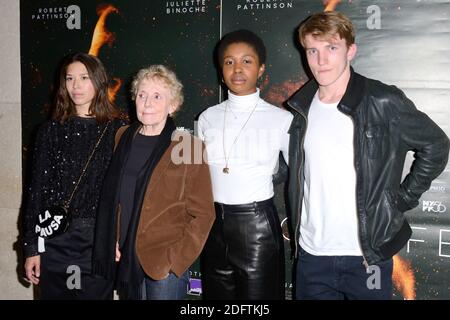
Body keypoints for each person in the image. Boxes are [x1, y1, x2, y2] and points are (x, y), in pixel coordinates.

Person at [287, 11, 450, 300]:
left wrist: (401, 199)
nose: (321, 60)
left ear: (351, 50)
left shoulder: (383, 100)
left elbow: (436, 145)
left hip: (366, 256)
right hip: (312, 256)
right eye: (313, 50)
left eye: (331, 48)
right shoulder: (301, 107)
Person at [92, 64, 215, 300]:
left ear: (173, 105)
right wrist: (114, 238)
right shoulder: (122, 137)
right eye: (142, 95)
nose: (147, 103)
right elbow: (117, 197)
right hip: (127, 257)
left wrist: (175, 261)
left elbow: (204, 214)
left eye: (157, 96)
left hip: (164, 264)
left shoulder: (188, 147)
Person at [198, 29, 293, 300]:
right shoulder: (206, 118)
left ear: (261, 68)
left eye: (246, 61)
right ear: (221, 69)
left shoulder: (281, 120)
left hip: (257, 228)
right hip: (213, 225)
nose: (237, 69)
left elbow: (300, 174)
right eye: (229, 62)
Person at [22, 52, 125, 299]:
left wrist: (119, 237)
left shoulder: (117, 130)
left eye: (84, 78)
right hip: (56, 240)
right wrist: (31, 247)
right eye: (69, 79)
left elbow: (124, 193)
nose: (75, 86)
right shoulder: (49, 131)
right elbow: (37, 192)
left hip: (98, 242)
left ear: (99, 81)